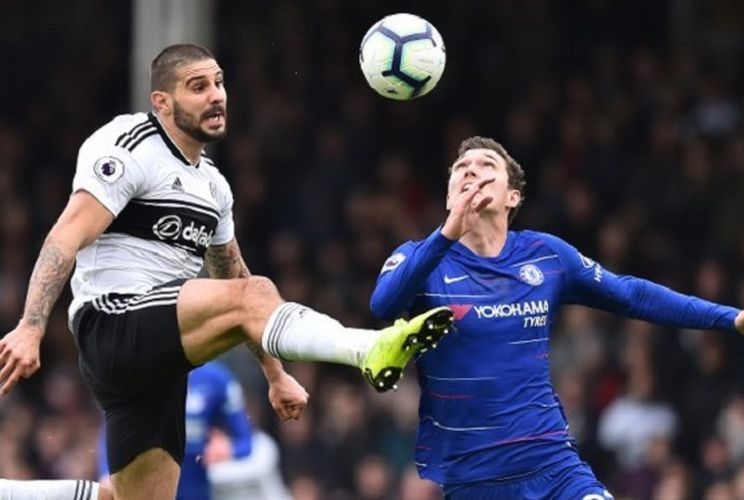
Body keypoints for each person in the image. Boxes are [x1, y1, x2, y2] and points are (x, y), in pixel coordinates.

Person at [0, 43, 453, 500]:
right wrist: (30, 326)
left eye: (218, 82)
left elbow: (230, 278)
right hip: (113, 321)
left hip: (159, 356)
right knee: (255, 291)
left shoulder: (213, 185)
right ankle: (367, 347)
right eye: (198, 87)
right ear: (162, 102)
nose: (216, 95)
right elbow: (64, 236)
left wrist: (275, 375)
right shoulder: (129, 144)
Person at [370, 135, 744, 499]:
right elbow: (383, 305)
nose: (470, 171)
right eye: (461, 167)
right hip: (473, 478)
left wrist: (730, 318)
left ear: (512, 196)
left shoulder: (546, 256)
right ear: (449, 192)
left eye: (486, 165)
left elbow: (631, 294)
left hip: (554, 466)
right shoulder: (422, 258)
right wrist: (447, 234)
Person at [97, 361, 254, 500]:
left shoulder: (218, 379)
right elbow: (112, 430)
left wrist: (229, 449)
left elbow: (246, 442)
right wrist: (106, 472)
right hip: (146, 485)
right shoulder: (141, 375)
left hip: (198, 490)